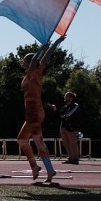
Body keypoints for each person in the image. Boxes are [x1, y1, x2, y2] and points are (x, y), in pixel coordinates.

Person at [17, 37, 63, 183]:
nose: (22, 62)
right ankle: (36, 167)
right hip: (31, 112)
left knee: (38, 141)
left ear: (29, 63)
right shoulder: (34, 72)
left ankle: (49, 170)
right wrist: (55, 43)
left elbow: (39, 58)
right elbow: (46, 57)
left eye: (24, 60)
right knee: (22, 140)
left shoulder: (33, 72)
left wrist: (40, 49)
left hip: (35, 111)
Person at [55, 91, 81, 164]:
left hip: (72, 126)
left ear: (71, 98)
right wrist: (55, 110)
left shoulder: (75, 105)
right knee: (66, 143)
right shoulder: (65, 106)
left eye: (66, 96)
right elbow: (60, 115)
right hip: (64, 126)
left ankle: (75, 158)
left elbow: (70, 114)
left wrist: (65, 116)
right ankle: (70, 157)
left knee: (73, 143)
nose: (65, 97)